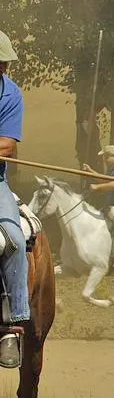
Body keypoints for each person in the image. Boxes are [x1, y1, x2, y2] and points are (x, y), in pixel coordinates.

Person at [0, 30, 30, 367]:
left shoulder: (10, 93)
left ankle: (11, 325)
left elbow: (7, 145)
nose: (3, 68)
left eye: (4, 63)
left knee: (14, 240)